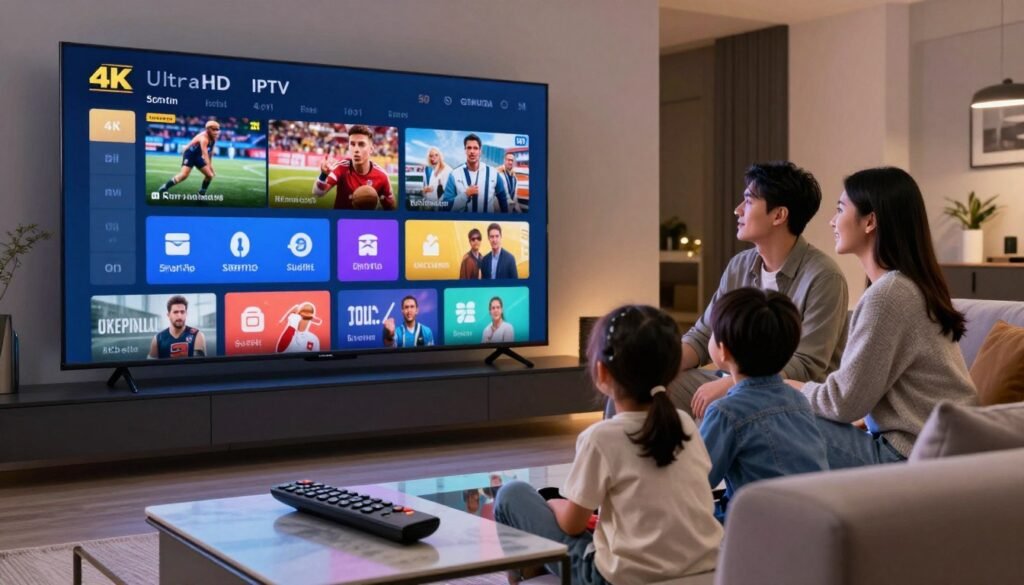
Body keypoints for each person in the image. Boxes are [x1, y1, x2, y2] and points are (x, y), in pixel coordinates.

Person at [494, 305, 721, 585]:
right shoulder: (686, 424)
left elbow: (572, 524)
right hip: (705, 571)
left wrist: (554, 505)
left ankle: (526, 578)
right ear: (672, 372)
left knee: (512, 494)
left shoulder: (601, 438)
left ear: (601, 373)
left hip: (617, 579)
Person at [788, 167, 977, 468]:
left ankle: (729, 508)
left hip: (910, 455)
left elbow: (843, 402)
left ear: (870, 221)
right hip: (933, 446)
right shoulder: (903, 287)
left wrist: (788, 388)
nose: (832, 221)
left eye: (840, 209)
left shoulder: (889, 296)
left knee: (770, 413)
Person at [678, 161, 850, 420]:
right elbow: (704, 335)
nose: (737, 210)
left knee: (721, 408)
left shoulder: (824, 276)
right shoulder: (740, 265)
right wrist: (661, 364)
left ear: (779, 215)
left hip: (786, 398)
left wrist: (732, 385)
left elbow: (806, 364)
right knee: (644, 388)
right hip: (733, 381)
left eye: (748, 202)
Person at [699, 288, 829, 520]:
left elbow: (695, 480)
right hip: (812, 525)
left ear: (723, 351)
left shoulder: (726, 412)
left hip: (759, 532)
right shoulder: (799, 401)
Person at [312, 125, 396, 210]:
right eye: (352, 144)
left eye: (361, 144)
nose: (356, 149)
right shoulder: (341, 167)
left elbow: (391, 208)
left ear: (371, 149)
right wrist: (323, 175)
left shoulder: (382, 176)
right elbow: (318, 193)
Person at [442, 133, 505, 213]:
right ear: (465, 150)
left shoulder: (493, 173)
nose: (472, 151)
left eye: (475, 148)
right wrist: (465, 195)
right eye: (469, 148)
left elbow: (503, 201)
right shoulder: (454, 174)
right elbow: (446, 207)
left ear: (480, 151)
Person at [156, 120, 220, 197]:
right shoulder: (204, 139)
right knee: (184, 175)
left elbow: (210, 154)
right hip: (190, 154)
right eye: (214, 129)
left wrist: (211, 168)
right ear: (208, 129)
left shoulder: (214, 138)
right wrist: (209, 167)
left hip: (198, 156)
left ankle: (200, 195)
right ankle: (164, 187)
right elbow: (205, 154)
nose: (216, 132)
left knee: (209, 175)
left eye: (217, 129)